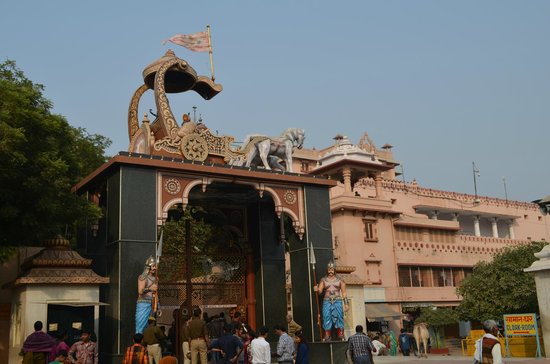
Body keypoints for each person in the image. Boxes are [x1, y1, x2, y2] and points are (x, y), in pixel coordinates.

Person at [316, 261, 348, 341]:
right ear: (327, 270)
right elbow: (320, 291)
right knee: (327, 317)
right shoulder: (323, 280)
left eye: (332, 269)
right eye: (329, 269)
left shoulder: (340, 280)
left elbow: (344, 293)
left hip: (338, 301)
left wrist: (346, 304)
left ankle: (340, 334)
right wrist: (317, 289)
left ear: (334, 270)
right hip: (327, 301)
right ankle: (327, 335)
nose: (330, 271)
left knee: (340, 317)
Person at [136, 256, 159, 334]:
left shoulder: (156, 278)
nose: (154, 268)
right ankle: (138, 344)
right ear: (148, 266)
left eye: (155, 266)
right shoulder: (142, 277)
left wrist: (158, 305)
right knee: (140, 326)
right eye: (153, 266)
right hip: (143, 303)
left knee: (150, 328)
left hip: (153, 304)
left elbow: (156, 293)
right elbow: (140, 291)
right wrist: (150, 288)